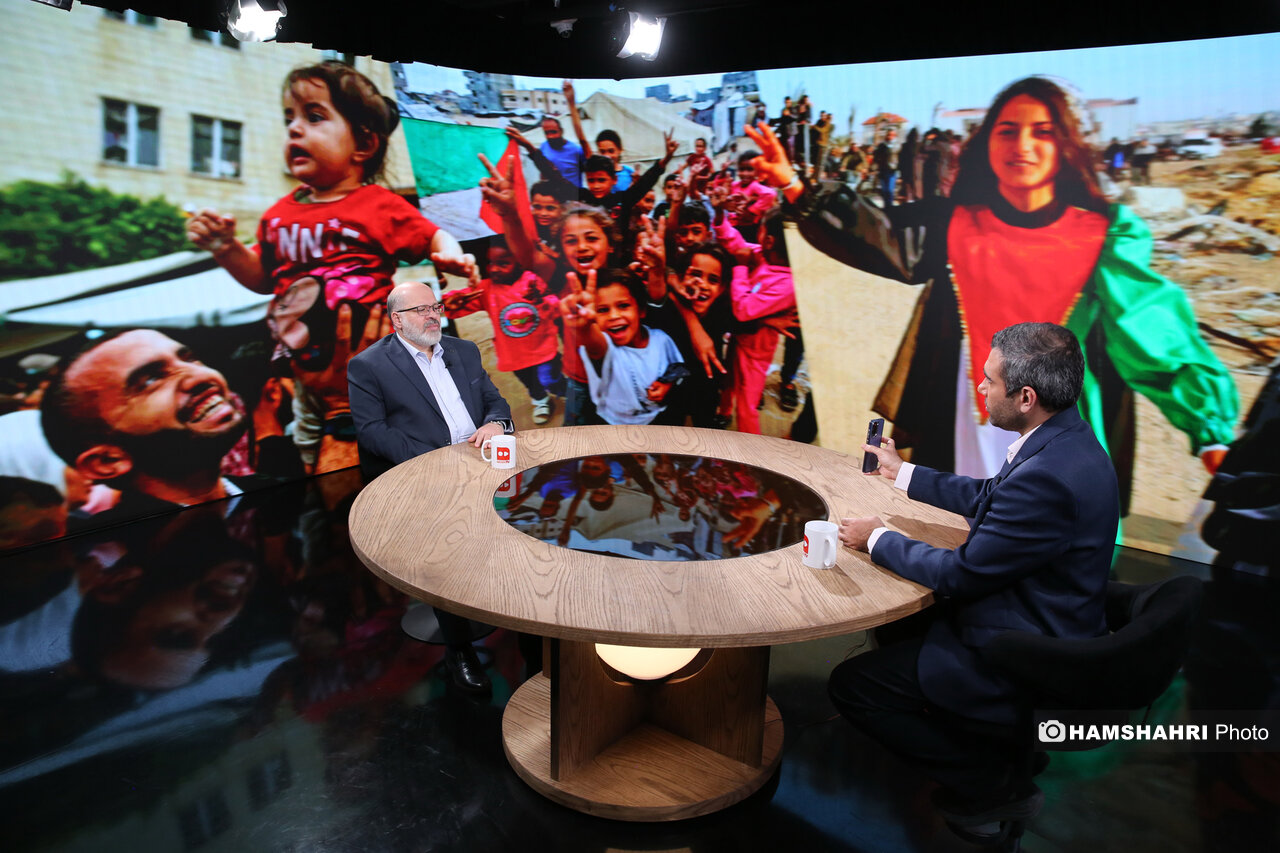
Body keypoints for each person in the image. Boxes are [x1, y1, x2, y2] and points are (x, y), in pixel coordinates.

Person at [744, 75, 1237, 511]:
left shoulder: (1104, 235)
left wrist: (1209, 429)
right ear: (987, 143)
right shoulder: (954, 222)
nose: (1023, 144)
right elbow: (880, 234)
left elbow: (1152, 330)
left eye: (1042, 131)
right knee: (956, 526)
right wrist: (794, 185)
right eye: (1008, 130)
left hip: (1061, 426)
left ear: (1065, 144)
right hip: (965, 407)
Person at [830, 322, 1120, 836]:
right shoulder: (1065, 439)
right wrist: (901, 472)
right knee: (900, 627)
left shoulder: (1047, 478)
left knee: (854, 687)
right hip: (1057, 614)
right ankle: (986, 740)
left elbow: (961, 575)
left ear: (1026, 397)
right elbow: (993, 496)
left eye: (990, 380)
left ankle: (994, 786)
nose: (980, 388)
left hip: (1024, 644)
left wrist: (876, 538)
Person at [186, 61, 475, 475]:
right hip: (306, 374)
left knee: (391, 453)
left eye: (314, 117)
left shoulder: (378, 205)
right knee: (315, 454)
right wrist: (225, 248)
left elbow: (433, 235)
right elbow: (263, 278)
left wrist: (451, 254)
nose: (294, 129)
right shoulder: (278, 215)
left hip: (374, 366)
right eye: (289, 119)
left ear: (363, 144)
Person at [346, 280, 513, 693]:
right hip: (422, 473)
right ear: (397, 320)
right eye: (421, 310)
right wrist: (436, 460)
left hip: (480, 464)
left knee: (508, 538)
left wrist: (496, 424)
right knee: (444, 561)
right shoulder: (369, 365)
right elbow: (372, 431)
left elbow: (495, 401)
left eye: (435, 307)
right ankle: (459, 650)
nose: (432, 315)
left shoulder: (464, 351)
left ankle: (516, 620)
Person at [39, 330, 257, 523]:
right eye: (150, 381)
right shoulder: (106, 553)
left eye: (189, 359)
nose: (200, 376)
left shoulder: (268, 497)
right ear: (108, 461)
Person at [442, 237, 564, 425]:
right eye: (491, 263)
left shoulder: (532, 281)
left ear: (520, 262)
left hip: (543, 347)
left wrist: (541, 299)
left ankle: (560, 387)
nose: (495, 269)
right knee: (529, 381)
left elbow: (555, 306)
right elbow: (459, 303)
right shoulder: (486, 288)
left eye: (503, 263)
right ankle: (540, 400)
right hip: (513, 354)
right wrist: (450, 302)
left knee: (550, 376)